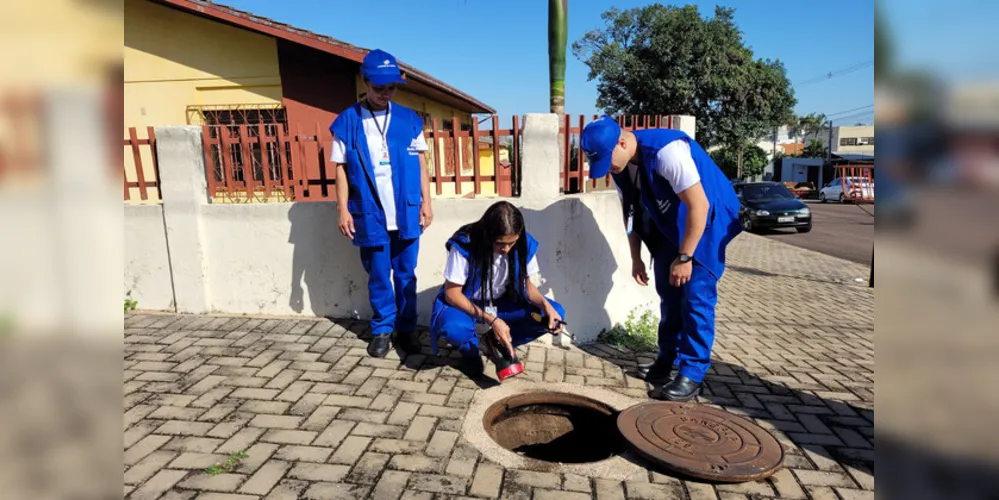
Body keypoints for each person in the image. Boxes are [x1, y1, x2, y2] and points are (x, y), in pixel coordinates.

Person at [579, 116, 742, 401]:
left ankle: (692, 372)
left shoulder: (667, 151)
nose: (609, 168)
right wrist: (636, 258)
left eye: (608, 160)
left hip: (706, 221)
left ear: (622, 141)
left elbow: (699, 205)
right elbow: (629, 213)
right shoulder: (621, 167)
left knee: (695, 299)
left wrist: (685, 256)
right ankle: (667, 359)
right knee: (668, 293)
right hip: (670, 226)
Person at [329, 49, 433, 358]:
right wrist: (342, 208)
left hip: (407, 210)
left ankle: (407, 329)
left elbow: (423, 165)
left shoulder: (409, 120)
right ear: (364, 82)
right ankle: (382, 330)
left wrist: (428, 204)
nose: (384, 94)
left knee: (406, 274)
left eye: (390, 88)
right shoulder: (347, 121)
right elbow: (341, 169)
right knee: (378, 275)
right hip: (370, 213)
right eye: (378, 88)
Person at [429, 201, 566, 375]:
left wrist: (547, 307)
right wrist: (492, 320)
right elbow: (452, 294)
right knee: (454, 328)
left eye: (512, 243)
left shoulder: (524, 244)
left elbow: (527, 286)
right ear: (488, 235)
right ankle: (470, 354)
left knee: (555, 314)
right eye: (500, 243)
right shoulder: (466, 244)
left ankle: (495, 342)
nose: (506, 249)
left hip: (502, 303)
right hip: (466, 303)